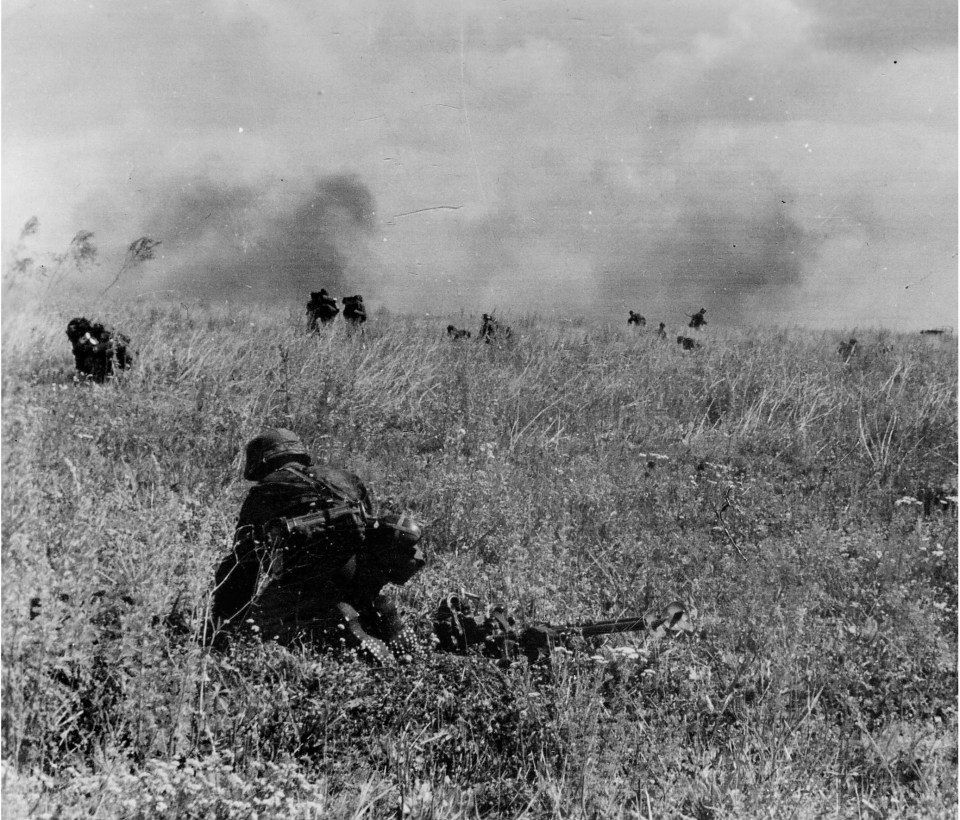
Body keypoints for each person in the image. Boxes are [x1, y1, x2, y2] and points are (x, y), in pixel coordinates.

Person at [212, 428, 425, 665]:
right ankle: (385, 617)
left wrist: (224, 625)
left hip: (309, 580)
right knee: (359, 597)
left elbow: (242, 563)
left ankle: (338, 628)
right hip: (360, 571)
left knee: (263, 626)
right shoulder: (343, 477)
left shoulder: (264, 492)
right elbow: (371, 523)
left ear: (261, 464)